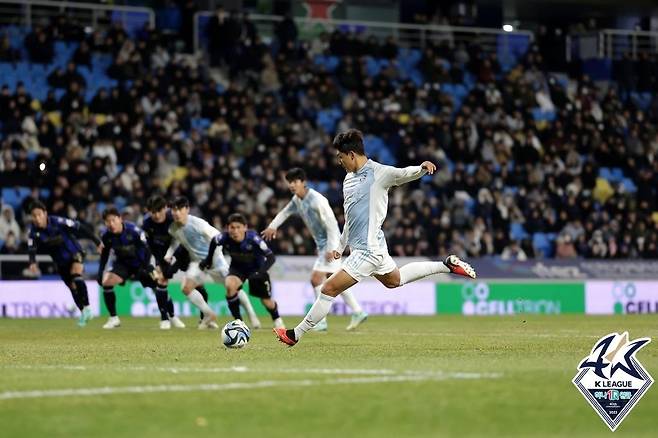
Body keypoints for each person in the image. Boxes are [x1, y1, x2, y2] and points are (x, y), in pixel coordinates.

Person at [274, 129, 477, 346]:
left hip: (368, 250)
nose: (339, 161)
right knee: (395, 280)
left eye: (340, 157)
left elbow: (401, 174)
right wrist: (341, 245)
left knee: (328, 288)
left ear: (351, 154)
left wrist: (421, 168)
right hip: (374, 247)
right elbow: (350, 217)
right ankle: (446, 265)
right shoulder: (347, 180)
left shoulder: (379, 172)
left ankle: (295, 334)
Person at [262, 167, 368, 331]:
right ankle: (358, 311)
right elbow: (285, 212)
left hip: (330, 244)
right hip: (323, 246)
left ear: (303, 182)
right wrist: (272, 227)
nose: (292, 185)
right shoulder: (297, 200)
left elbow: (331, 224)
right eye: (289, 182)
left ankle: (321, 321)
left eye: (295, 181)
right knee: (336, 280)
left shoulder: (317, 200)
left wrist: (333, 247)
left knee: (316, 279)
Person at [164, 197, 260, 329]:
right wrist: (168, 255)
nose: (176, 212)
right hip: (198, 264)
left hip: (215, 262)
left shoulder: (198, 224)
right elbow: (176, 241)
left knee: (234, 287)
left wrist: (211, 259)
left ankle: (251, 315)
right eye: (173, 209)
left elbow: (217, 238)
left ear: (187, 209)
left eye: (179, 209)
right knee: (186, 288)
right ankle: (209, 314)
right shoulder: (173, 228)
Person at [202, 213, 284, 329]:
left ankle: (277, 319)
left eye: (238, 227)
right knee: (230, 286)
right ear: (227, 228)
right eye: (232, 227)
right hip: (237, 269)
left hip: (257, 269)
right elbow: (214, 242)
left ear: (245, 227)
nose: (235, 231)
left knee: (267, 301)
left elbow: (271, 257)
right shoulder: (224, 237)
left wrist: (260, 273)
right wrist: (208, 260)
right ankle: (238, 322)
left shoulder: (253, 239)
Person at [98, 206, 176, 329]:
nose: (111, 224)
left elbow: (147, 248)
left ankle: (169, 317)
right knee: (107, 282)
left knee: (159, 285)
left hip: (141, 263)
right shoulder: (107, 236)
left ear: (120, 219)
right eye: (108, 221)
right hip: (123, 265)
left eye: (113, 220)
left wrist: (148, 266)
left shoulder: (133, 230)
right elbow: (104, 254)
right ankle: (114, 319)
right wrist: (100, 271)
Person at [27, 201, 99, 327]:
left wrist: (97, 242)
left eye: (39, 214)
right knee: (72, 287)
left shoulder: (57, 221)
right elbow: (31, 248)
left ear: (45, 214)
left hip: (75, 252)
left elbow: (79, 227)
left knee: (76, 275)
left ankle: (87, 307)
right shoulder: (33, 232)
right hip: (60, 262)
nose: (37, 218)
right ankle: (84, 312)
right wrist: (32, 262)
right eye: (34, 216)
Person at [142, 195, 196, 330]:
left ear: (165, 208)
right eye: (152, 212)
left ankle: (201, 318)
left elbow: (182, 240)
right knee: (161, 282)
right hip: (161, 256)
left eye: (158, 211)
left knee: (195, 284)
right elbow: (149, 245)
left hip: (180, 254)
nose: (155, 215)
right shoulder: (147, 223)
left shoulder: (173, 220)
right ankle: (166, 318)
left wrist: (174, 258)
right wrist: (155, 262)